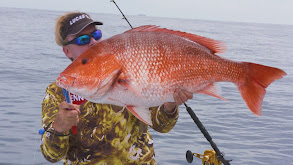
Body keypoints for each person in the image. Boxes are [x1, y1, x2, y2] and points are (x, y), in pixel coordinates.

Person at [40, 11, 193, 165]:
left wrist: (170, 105)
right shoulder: (57, 92)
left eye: (96, 34)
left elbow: (162, 126)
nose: (93, 41)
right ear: (67, 51)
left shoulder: (129, 71)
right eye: (83, 39)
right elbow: (51, 155)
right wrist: (59, 128)